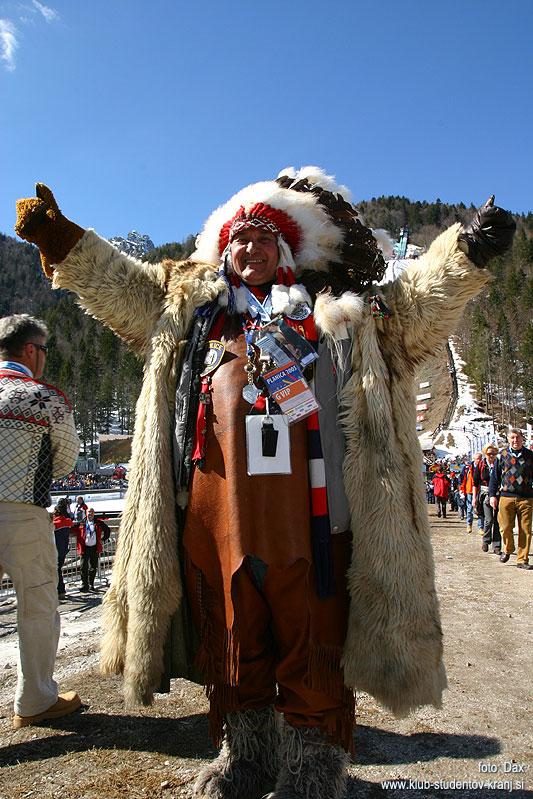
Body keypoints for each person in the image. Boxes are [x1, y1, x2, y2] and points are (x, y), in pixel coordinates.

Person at [15, 172, 514, 798]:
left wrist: (465, 251)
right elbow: (122, 285)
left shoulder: (343, 315)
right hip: (214, 512)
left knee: (312, 631)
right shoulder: (190, 309)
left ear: (288, 249)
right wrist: (62, 240)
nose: (248, 249)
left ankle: (314, 763)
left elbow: (417, 305)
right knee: (232, 627)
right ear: (222, 250)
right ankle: (244, 753)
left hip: (316, 511)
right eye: (238, 240)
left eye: (262, 238)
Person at [0, 314, 82, 729]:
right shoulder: (43, 397)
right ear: (31, 350)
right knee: (36, 606)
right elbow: (66, 459)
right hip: (22, 511)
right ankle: (34, 700)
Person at [489, 429, 533, 570]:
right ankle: (508, 549)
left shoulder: (530, 456)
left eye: (518, 437)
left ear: (522, 438)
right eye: (512, 438)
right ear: (508, 440)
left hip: (526, 498)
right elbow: (494, 478)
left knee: (525, 530)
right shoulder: (502, 456)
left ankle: (522, 559)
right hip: (506, 497)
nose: (515, 440)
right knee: (505, 527)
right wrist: (492, 496)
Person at [74, 507, 111, 592]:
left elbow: (107, 530)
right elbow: (73, 528)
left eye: (91, 512)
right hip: (85, 548)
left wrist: (103, 539)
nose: (90, 514)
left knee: (93, 567)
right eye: (88, 512)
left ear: (94, 513)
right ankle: (84, 585)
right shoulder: (82, 523)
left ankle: (91, 584)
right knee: (83, 567)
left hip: (94, 548)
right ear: (86, 513)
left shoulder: (98, 523)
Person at [474, 444, 501, 554]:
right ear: (485, 454)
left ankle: (497, 545)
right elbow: (475, 483)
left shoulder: (499, 463)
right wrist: (474, 498)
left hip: (499, 493)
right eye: (489, 454)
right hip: (485, 494)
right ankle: (486, 540)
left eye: (494, 454)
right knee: (488, 519)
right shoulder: (481, 465)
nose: (492, 456)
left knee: (498, 520)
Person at [53, 497, 74, 599]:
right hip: (64, 549)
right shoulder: (67, 521)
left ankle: (60, 590)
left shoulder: (55, 523)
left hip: (55, 549)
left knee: (55, 570)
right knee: (58, 569)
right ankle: (60, 590)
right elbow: (71, 520)